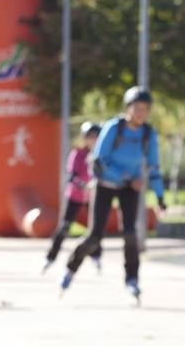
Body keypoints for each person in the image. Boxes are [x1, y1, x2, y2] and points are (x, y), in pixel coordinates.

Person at [59, 86, 166, 303]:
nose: (141, 113)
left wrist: (160, 197)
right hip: (106, 184)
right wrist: (126, 176)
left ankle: (132, 279)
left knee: (130, 234)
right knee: (95, 236)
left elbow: (153, 167)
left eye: (145, 109)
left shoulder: (148, 133)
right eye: (137, 108)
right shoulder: (113, 128)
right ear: (128, 108)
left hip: (130, 188)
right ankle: (71, 269)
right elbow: (98, 162)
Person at [43, 120, 103, 273]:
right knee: (64, 227)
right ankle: (51, 257)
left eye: (96, 137)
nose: (93, 140)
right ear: (84, 138)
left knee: (96, 228)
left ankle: (96, 256)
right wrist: (83, 185)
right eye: (90, 137)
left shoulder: (101, 155)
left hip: (92, 197)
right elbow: (72, 176)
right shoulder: (77, 154)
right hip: (75, 196)